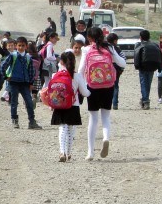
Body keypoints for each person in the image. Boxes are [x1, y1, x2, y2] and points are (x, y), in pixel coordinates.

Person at [77, 26, 126, 160]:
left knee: (93, 119)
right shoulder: (109, 48)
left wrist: (81, 89)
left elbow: (81, 71)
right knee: (105, 116)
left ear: (89, 38)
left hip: (92, 87)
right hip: (108, 86)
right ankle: (105, 138)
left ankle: (90, 152)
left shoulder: (86, 49)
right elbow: (123, 64)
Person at [51, 51, 90, 162]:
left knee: (62, 128)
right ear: (74, 61)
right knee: (70, 129)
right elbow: (85, 93)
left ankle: (62, 152)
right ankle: (68, 153)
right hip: (73, 105)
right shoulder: (77, 76)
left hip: (59, 105)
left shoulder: (55, 75)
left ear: (61, 62)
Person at [0, 37, 42, 130]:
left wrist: (31, 83)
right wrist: (6, 77)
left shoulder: (28, 57)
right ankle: (14, 120)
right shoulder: (12, 56)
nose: (21, 47)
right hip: (14, 82)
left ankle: (32, 121)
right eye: (19, 45)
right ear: (16, 46)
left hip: (25, 83)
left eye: (23, 45)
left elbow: (31, 71)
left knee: (29, 102)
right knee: (14, 102)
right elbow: (3, 66)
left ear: (26, 46)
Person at [133, 29, 162, 110]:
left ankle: (146, 101)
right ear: (149, 37)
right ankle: (144, 99)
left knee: (143, 83)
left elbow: (136, 56)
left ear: (140, 37)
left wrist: (136, 66)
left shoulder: (139, 44)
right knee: (148, 84)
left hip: (143, 67)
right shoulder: (155, 45)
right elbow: (160, 56)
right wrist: (160, 67)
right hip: (153, 67)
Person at [106, 32, 124, 110]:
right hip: (117, 70)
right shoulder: (118, 49)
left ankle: (107, 103)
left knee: (107, 86)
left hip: (106, 70)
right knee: (115, 86)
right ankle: (115, 104)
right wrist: (121, 69)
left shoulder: (105, 49)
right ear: (115, 41)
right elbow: (123, 59)